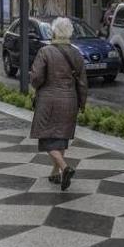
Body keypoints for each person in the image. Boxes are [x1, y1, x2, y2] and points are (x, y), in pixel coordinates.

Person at [30, 17, 88, 191]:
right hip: (70, 101)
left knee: (47, 138)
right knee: (61, 138)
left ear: (54, 32)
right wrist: (82, 103)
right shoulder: (77, 53)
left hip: (49, 101)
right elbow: (83, 83)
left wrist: (36, 84)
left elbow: (36, 79)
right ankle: (55, 173)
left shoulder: (45, 51)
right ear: (69, 33)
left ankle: (65, 167)